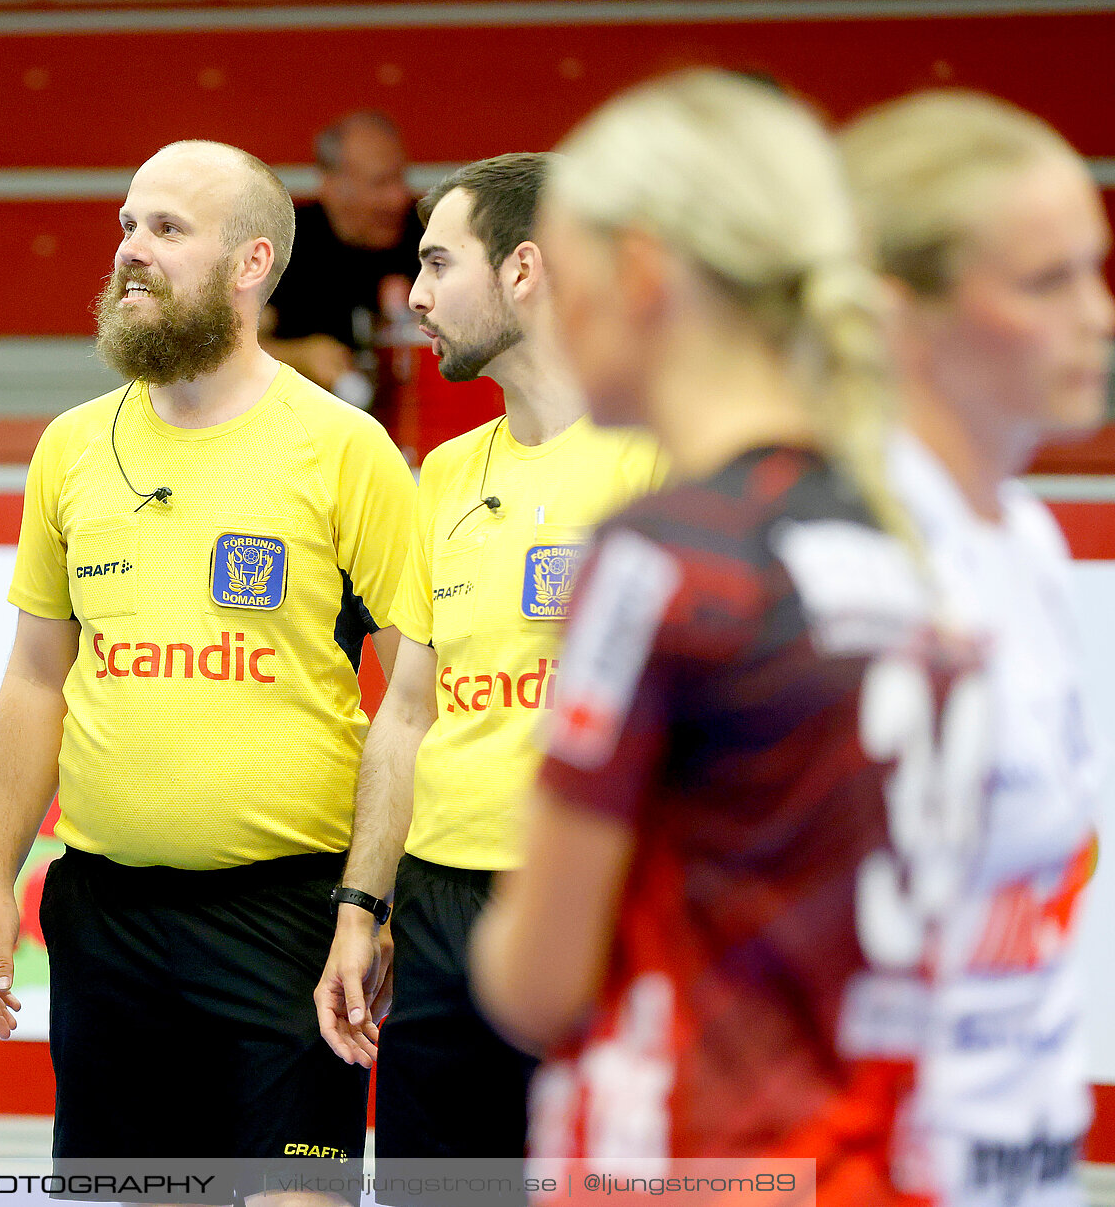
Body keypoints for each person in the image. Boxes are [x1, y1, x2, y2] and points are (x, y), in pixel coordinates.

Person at [469, 70, 986, 1201]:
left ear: (642, 274)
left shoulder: (667, 555)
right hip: (880, 1161)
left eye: (564, 270)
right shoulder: (918, 536)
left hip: (693, 1161)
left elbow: (537, 978)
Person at [0, 139, 416, 1177]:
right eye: (127, 223)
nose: (131, 249)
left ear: (251, 263)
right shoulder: (71, 447)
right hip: (107, 919)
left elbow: (417, 699)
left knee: (298, 1195)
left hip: (293, 918)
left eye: (167, 228)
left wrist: (372, 904)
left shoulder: (346, 450)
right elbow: (35, 678)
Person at [312, 153, 664, 1176]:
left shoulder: (660, 453)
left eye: (435, 264)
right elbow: (407, 715)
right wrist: (361, 910)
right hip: (438, 914)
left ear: (524, 269)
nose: (414, 298)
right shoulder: (448, 474)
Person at [842, 90, 1112, 1207]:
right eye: (1047, 283)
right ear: (905, 316)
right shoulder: (844, 573)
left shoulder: (1028, 541)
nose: (1099, 314)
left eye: (1096, 270)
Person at [263, 110, 423, 408]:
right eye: (380, 183)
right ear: (332, 185)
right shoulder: (285, 247)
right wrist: (299, 356)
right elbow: (230, 347)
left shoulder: (430, 237)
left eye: (400, 178)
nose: (398, 197)